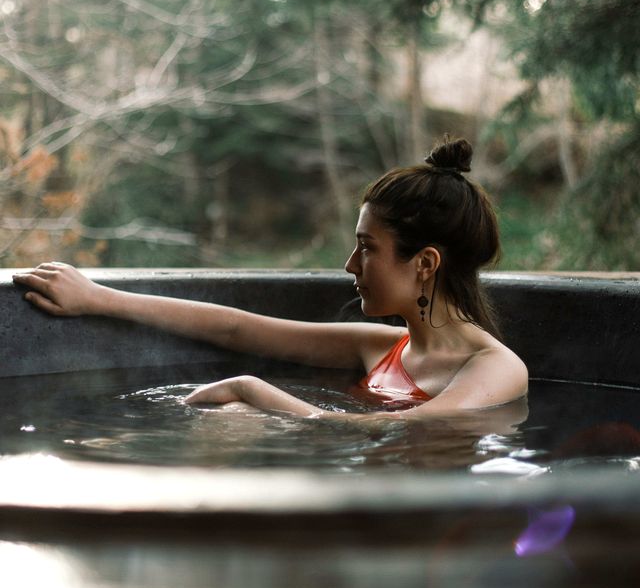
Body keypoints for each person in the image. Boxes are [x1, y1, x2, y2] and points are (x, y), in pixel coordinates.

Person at [12, 137, 527, 421]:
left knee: (237, 404)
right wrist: (98, 299)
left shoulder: (497, 370)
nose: (350, 265)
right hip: (355, 486)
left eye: (367, 248)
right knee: (230, 415)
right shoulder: (386, 346)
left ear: (425, 264)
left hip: (417, 529)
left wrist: (251, 387)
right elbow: (237, 330)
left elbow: (378, 432)